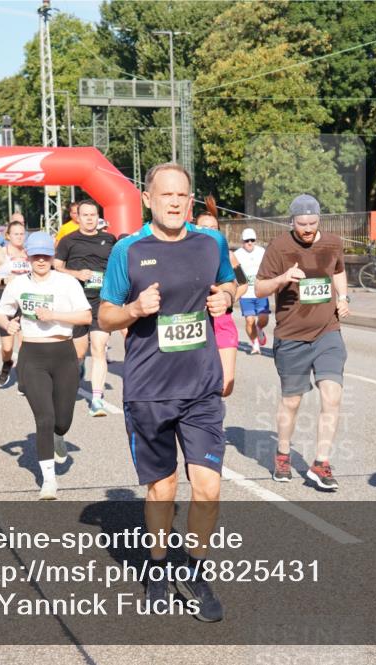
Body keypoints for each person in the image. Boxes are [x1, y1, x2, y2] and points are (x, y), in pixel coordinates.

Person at [99, 163, 237, 622]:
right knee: (162, 489)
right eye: (167, 195)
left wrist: (226, 299)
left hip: (200, 386)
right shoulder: (129, 250)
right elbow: (105, 316)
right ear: (148, 198)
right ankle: (158, 566)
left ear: (190, 200)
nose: (176, 202)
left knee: (209, 487)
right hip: (149, 390)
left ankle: (195, 572)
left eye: (183, 195)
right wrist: (135, 308)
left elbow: (228, 282)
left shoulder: (210, 242)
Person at [254, 194, 350, 490]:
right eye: (302, 223)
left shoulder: (333, 242)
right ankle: (282, 455)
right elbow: (259, 288)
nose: (308, 229)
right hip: (292, 337)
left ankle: (321, 463)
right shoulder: (279, 247)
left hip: (327, 332)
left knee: (332, 396)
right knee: (292, 402)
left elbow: (339, 270)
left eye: (313, 222)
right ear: (291, 222)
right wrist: (283, 278)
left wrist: (343, 297)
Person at [0, 232, 91, 500]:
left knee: (62, 421)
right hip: (32, 355)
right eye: (35, 254)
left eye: (45, 255)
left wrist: (54, 315)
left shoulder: (67, 283)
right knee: (44, 418)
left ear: (52, 256)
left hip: (63, 353)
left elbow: (85, 315)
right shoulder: (17, 284)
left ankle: (59, 436)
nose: (40, 259)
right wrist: (8, 323)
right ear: (27, 256)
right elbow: (0, 311)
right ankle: (48, 480)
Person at [54, 198, 117, 417]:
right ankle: (77, 367)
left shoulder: (109, 239)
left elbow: (118, 267)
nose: (90, 218)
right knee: (79, 352)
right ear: (78, 217)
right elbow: (56, 267)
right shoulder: (68, 241)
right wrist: (77, 274)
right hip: (77, 303)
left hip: (102, 301)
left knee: (99, 348)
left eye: (93, 214)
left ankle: (97, 399)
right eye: (86, 215)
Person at [194, 196, 248, 396]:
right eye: (204, 227)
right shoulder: (185, 253)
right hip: (195, 323)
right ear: (195, 228)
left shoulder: (227, 255)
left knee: (225, 387)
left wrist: (228, 297)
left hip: (222, 321)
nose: (209, 231)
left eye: (213, 227)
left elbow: (243, 283)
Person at [0, 220, 29, 386]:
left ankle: (25, 379)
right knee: (8, 347)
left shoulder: (29, 253)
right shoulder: (0, 254)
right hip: (5, 299)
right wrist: (3, 281)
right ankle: (7, 363)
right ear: (8, 236)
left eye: (22, 233)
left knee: (27, 343)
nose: (19, 237)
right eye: (16, 234)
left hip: (26, 300)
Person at [234, 227, 270, 355]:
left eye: (252, 240)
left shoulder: (261, 251)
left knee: (264, 318)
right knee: (249, 320)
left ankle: (259, 329)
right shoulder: (237, 254)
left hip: (260, 291)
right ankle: (255, 344)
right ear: (242, 241)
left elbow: (268, 268)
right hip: (245, 293)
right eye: (246, 240)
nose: (249, 243)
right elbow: (235, 272)